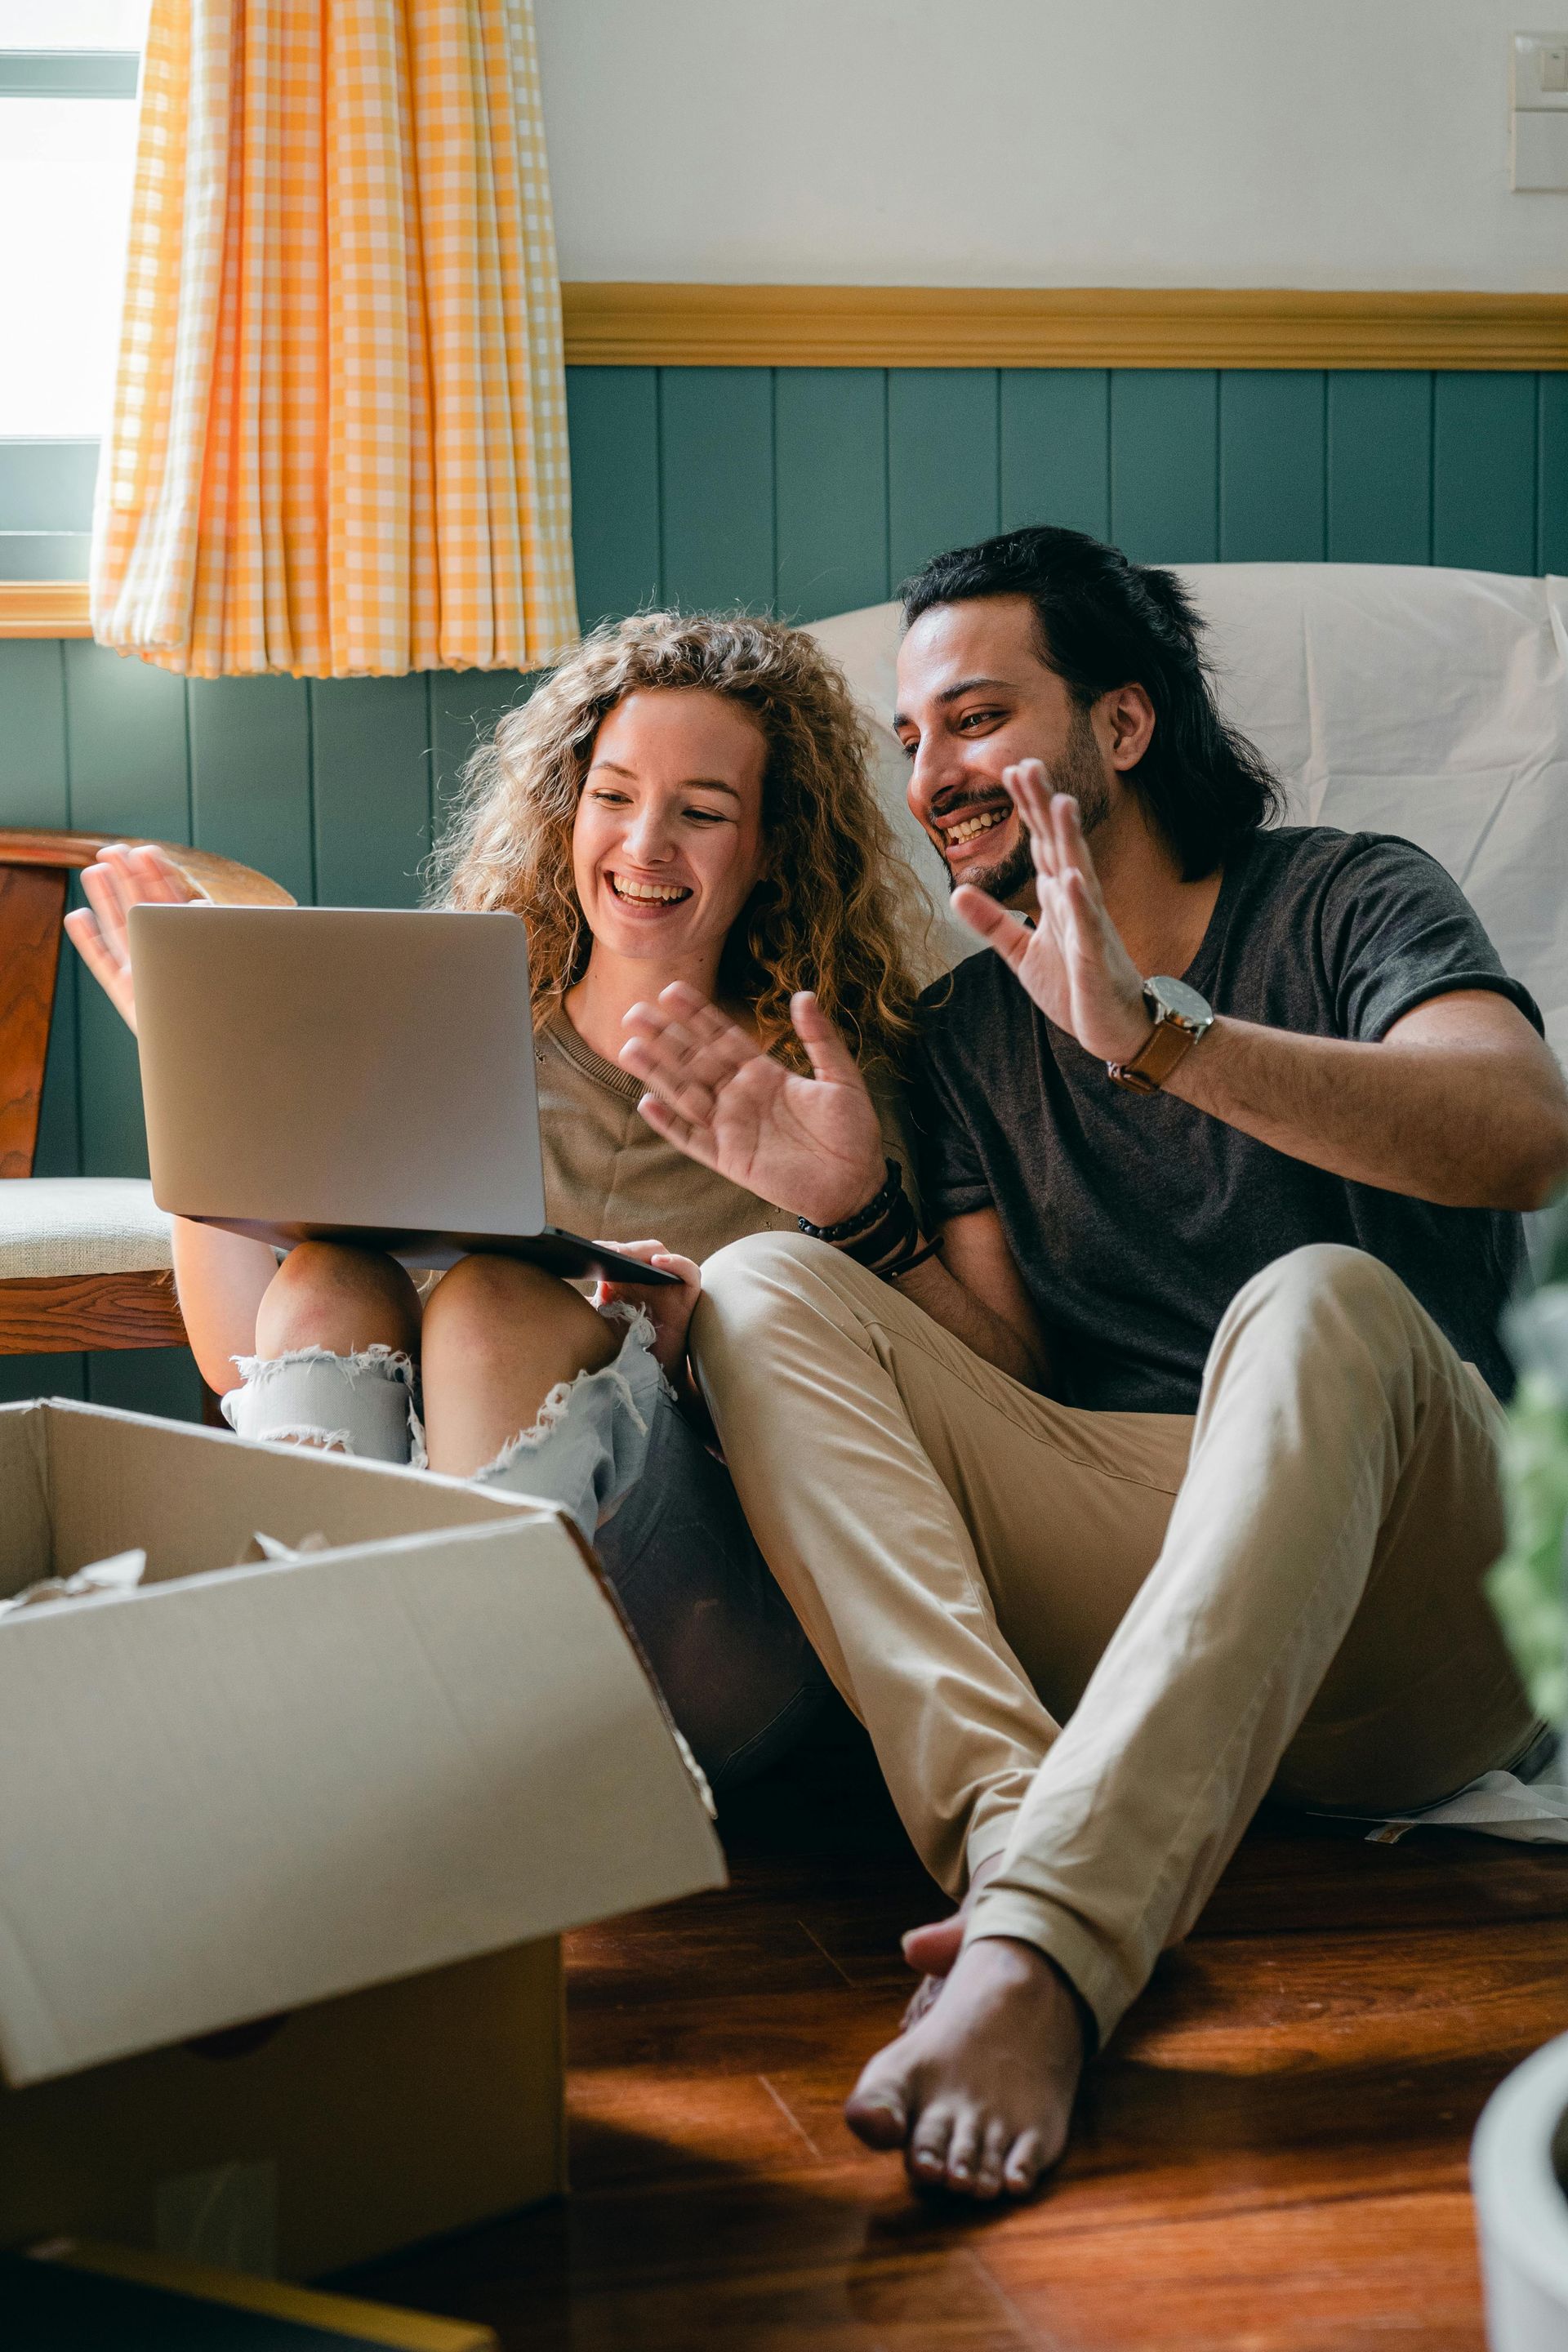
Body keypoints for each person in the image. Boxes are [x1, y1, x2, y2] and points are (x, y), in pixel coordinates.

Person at [616, 526, 1568, 2199]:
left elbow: (1521, 1136)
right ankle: (1011, 1842)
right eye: (911, 739)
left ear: (1120, 727)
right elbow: (1017, 1384)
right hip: (1153, 1558)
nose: (935, 775)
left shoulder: (1348, 895)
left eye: (976, 718)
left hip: (1425, 1610)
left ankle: (1051, 1956)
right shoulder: (973, 1031)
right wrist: (863, 1221)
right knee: (764, 1284)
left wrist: (1161, 1037)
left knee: (1318, 1297)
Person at [65, 611, 926, 1791]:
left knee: (488, 1309)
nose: (646, 842)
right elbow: (237, 1363)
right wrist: (196, 1083)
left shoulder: (831, 1089)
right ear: (568, 810)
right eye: (614, 795)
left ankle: (394, 1768)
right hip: (427, 1641)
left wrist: (700, 1343)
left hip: (717, 1630)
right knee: (326, 1272)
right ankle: (374, 1754)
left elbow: (899, 1434)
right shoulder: (455, 1039)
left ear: (774, 843)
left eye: (704, 811)